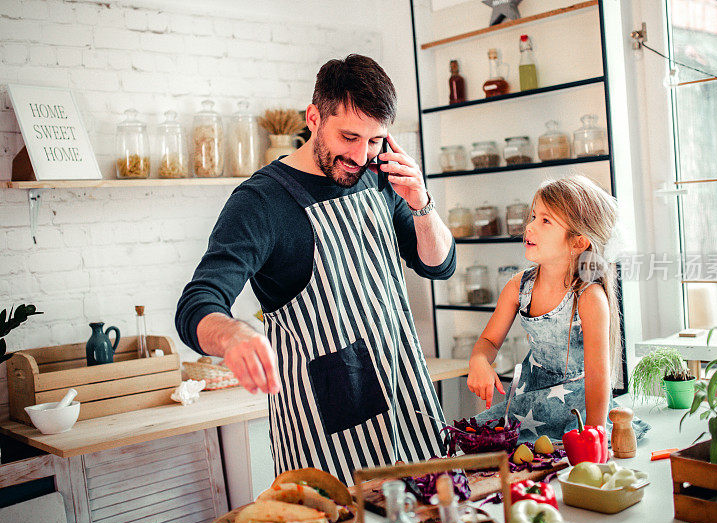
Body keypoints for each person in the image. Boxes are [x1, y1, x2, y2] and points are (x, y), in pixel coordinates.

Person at [175, 54, 456, 484]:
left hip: (406, 393)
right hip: (325, 426)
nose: (362, 156)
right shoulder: (261, 203)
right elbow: (197, 302)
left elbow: (437, 266)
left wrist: (421, 203)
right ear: (314, 117)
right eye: (349, 137)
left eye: (376, 140)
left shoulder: (380, 175)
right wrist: (233, 334)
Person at [466, 175, 647, 443]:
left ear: (578, 242)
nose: (529, 227)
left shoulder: (589, 297)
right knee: (472, 438)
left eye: (545, 221)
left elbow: (598, 381)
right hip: (530, 405)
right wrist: (479, 361)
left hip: (578, 410)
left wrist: (594, 436)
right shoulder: (519, 287)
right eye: (533, 216)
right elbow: (489, 341)